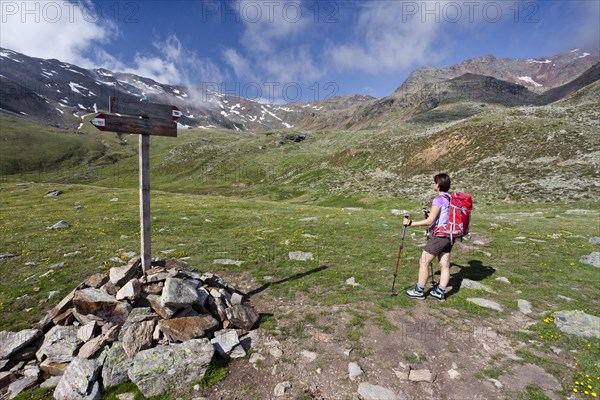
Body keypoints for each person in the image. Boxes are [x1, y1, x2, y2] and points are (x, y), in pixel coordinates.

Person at [404, 173, 453, 300]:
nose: (433, 184)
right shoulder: (450, 198)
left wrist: (411, 223)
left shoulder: (438, 199)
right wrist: (431, 213)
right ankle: (440, 291)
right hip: (450, 236)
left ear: (439, 185)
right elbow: (443, 215)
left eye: (435, 182)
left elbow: (430, 221)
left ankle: (419, 291)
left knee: (424, 262)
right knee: (445, 264)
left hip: (439, 237)